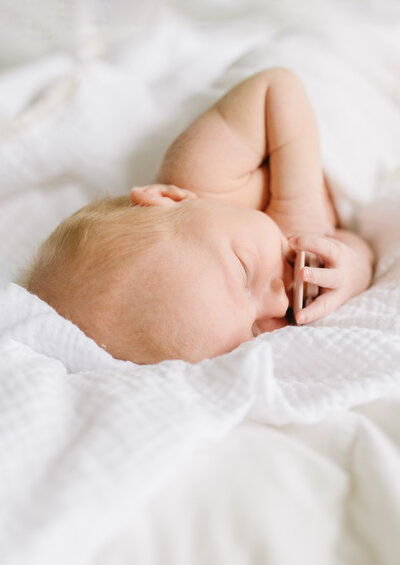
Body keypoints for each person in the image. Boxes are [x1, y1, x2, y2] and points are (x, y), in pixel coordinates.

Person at [25, 68, 374, 364]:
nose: (279, 300)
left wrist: (301, 204)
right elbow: (358, 243)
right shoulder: (278, 302)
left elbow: (277, 87)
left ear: (168, 196)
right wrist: (347, 271)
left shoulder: (200, 174)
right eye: (253, 330)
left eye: (244, 270)